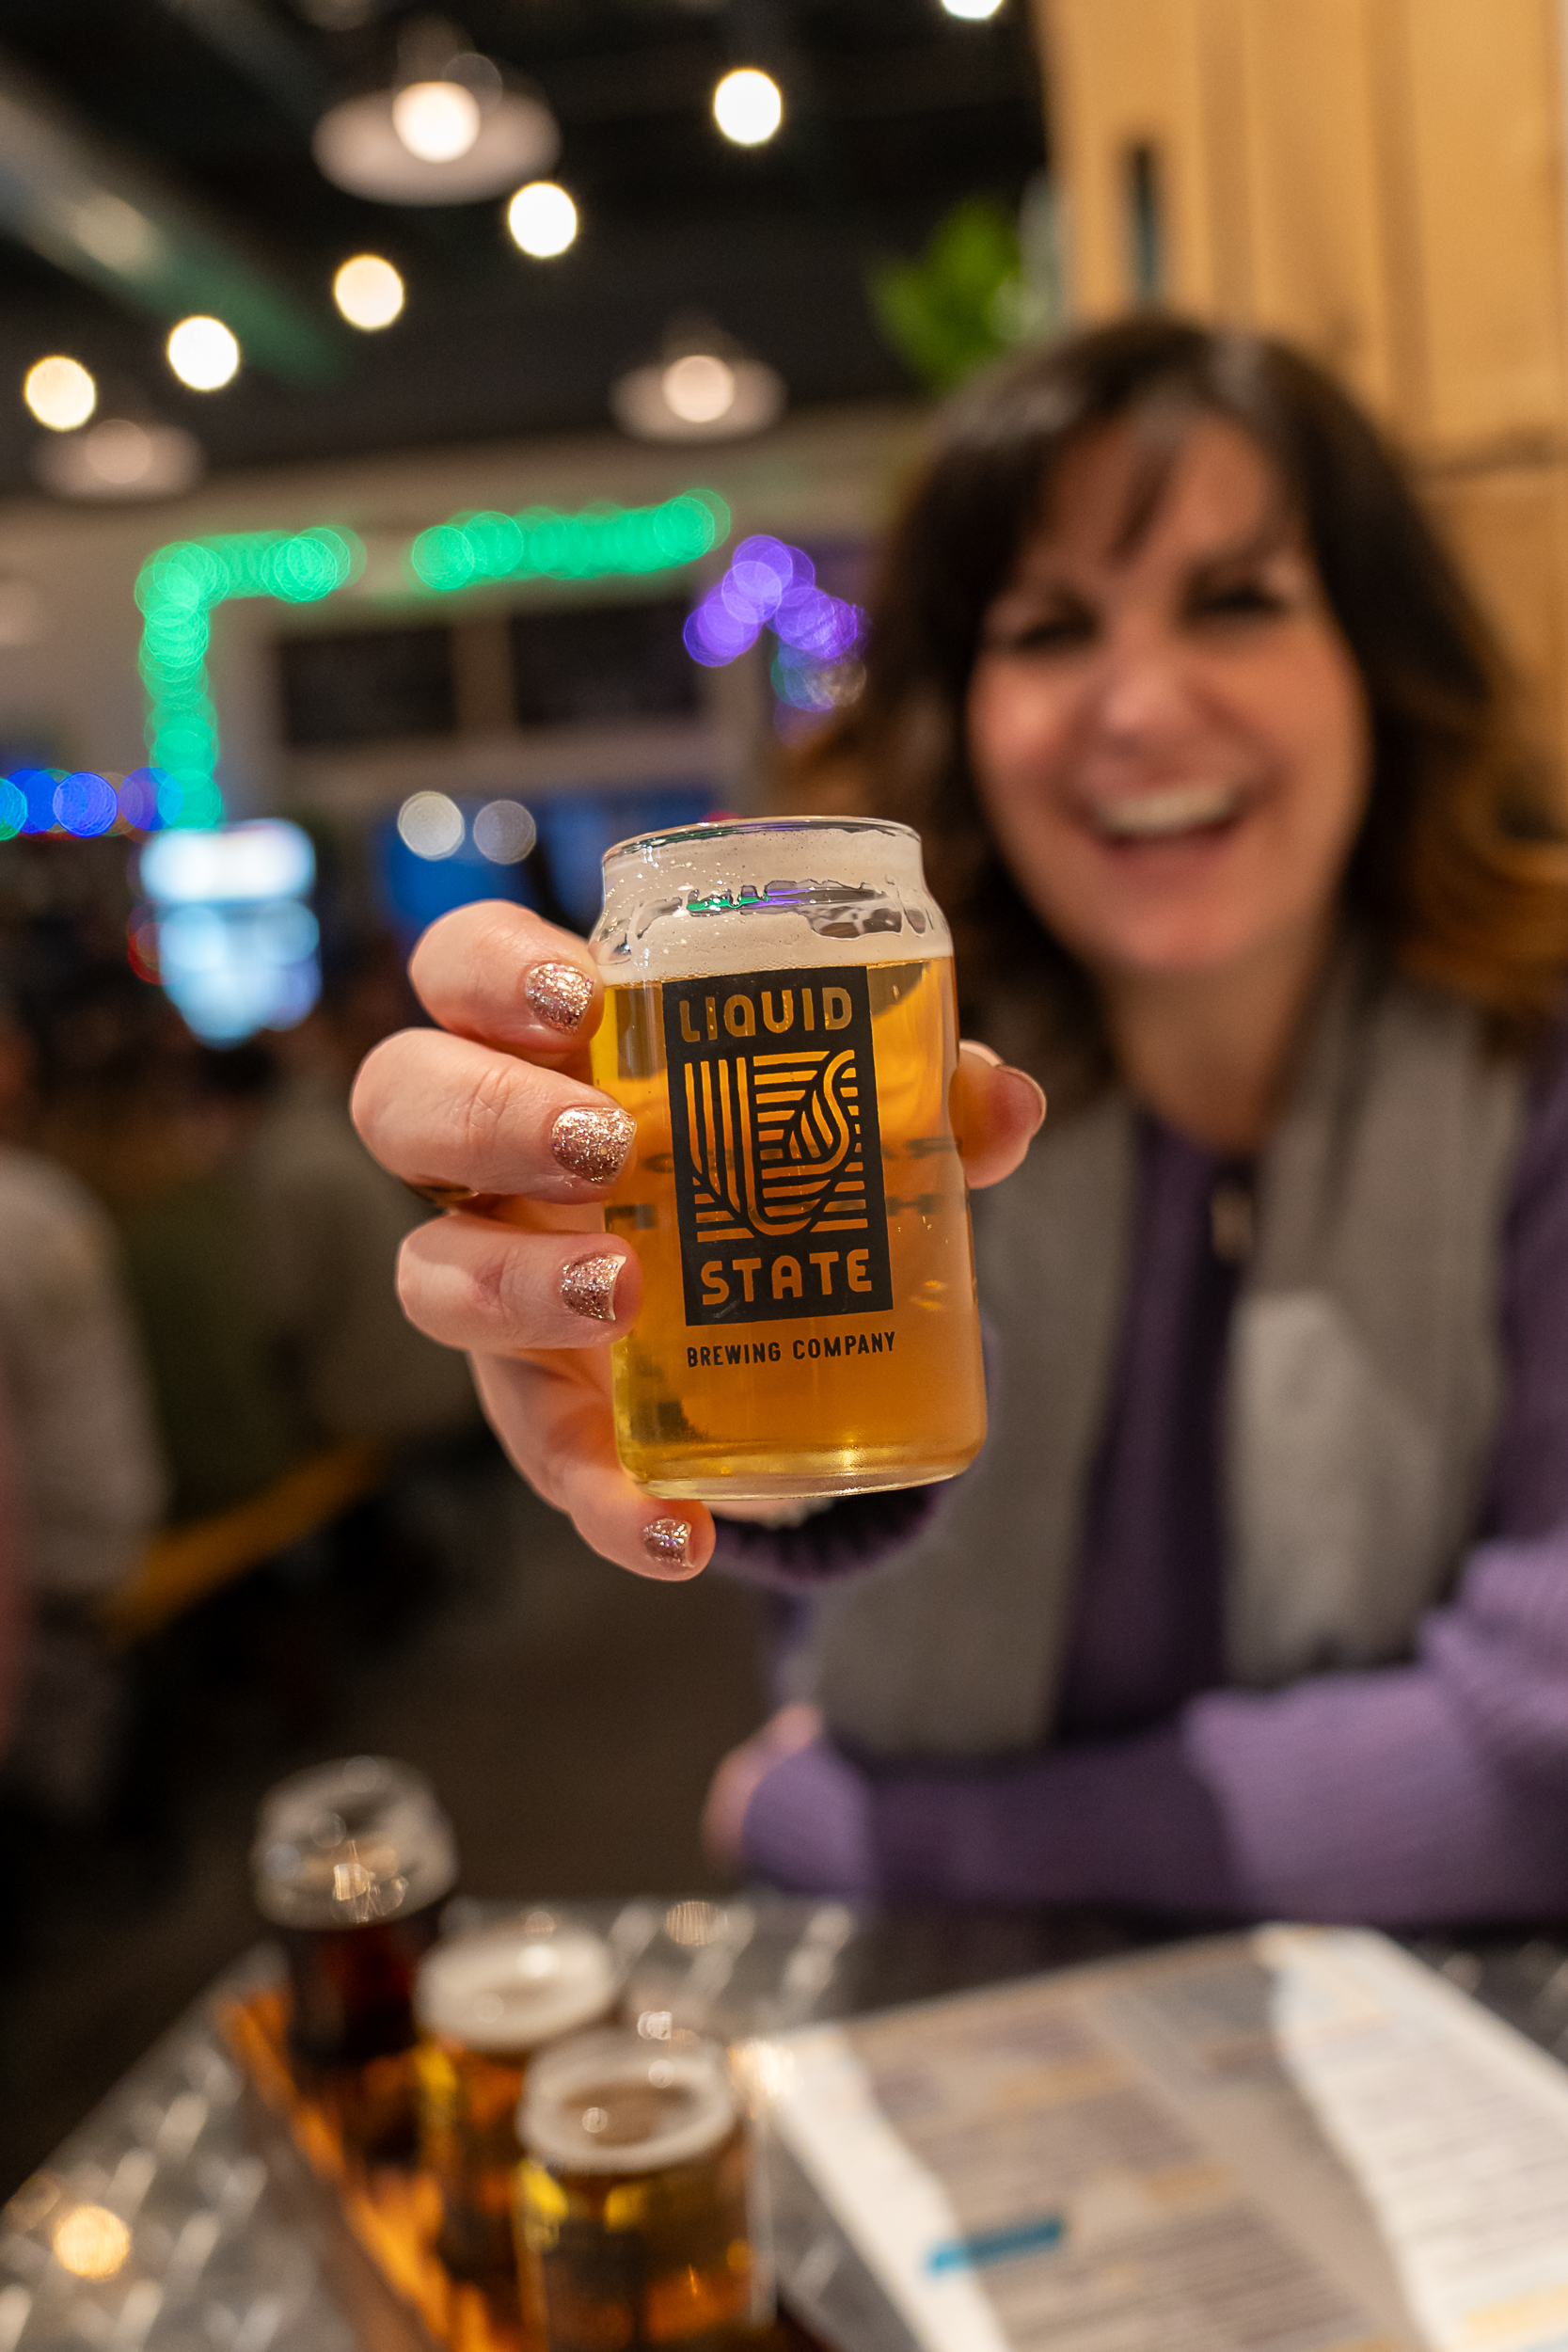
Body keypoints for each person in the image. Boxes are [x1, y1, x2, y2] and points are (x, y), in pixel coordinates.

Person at [353, 317, 1568, 1926]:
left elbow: (1537, 1777)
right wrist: (706, 1390)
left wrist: (856, 1830)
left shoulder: (1536, 1082)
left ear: (1376, 660)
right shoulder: (882, 1081)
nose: (1139, 705)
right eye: (1052, 628)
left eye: (1236, 601)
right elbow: (845, 1478)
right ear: (968, 713)